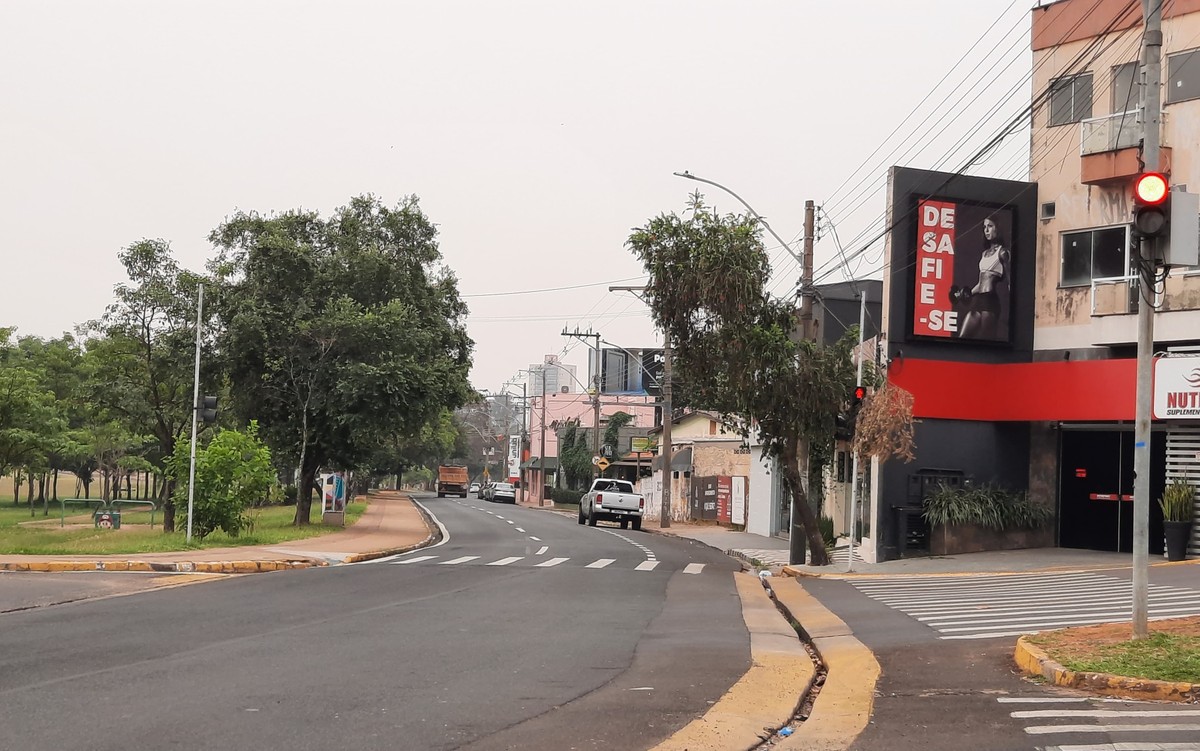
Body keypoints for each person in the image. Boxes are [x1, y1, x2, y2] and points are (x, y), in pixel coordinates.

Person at [958, 216, 1010, 339]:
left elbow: (1009, 280)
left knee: (986, 339)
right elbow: (981, 283)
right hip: (978, 300)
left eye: (990, 226)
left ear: (998, 228)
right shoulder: (984, 254)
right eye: (984, 227)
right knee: (963, 337)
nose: (986, 230)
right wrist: (965, 293)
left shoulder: (1003, 253)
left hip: (990, 301)